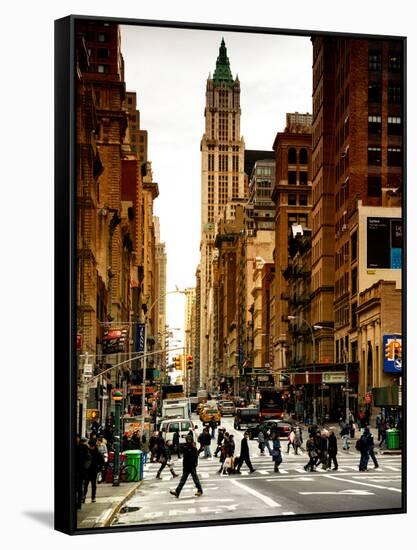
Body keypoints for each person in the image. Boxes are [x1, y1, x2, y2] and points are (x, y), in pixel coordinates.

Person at [76, 435, 91, 510]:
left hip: (81, 470)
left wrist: (85, 467)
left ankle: (79, 503)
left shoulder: (83, 447)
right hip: (77, 470)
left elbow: (88, 458)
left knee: (79, 487)